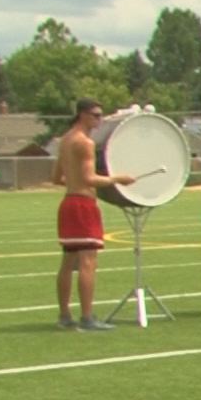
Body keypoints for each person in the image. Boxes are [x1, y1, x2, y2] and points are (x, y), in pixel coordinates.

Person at [51, 98, 133, 330]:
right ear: (83, 115)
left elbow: (57, 177)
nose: (99, 120)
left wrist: (75, 181)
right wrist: (118, 179)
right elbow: (89, 178)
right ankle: (87, 317)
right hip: (83, 205)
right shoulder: (84, 142)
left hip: (68, 202)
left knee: (68, 262)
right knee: (88, 262)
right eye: (96, 115)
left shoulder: (65, 140)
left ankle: (65, 315)